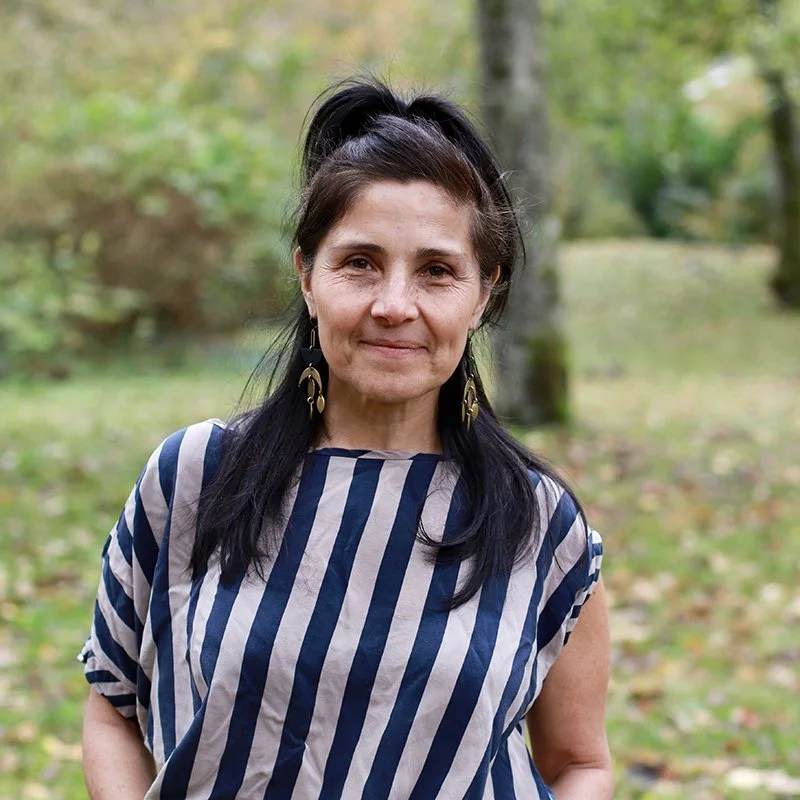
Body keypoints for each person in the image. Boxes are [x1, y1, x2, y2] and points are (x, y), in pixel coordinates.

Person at [78, 78, 612, 799]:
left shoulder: (540, 525)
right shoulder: (193, 479)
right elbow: (113, 706)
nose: (395, 306)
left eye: (436, 272)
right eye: (359, 262)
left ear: (482, 293)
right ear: (307, 275)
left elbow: (579, 763)